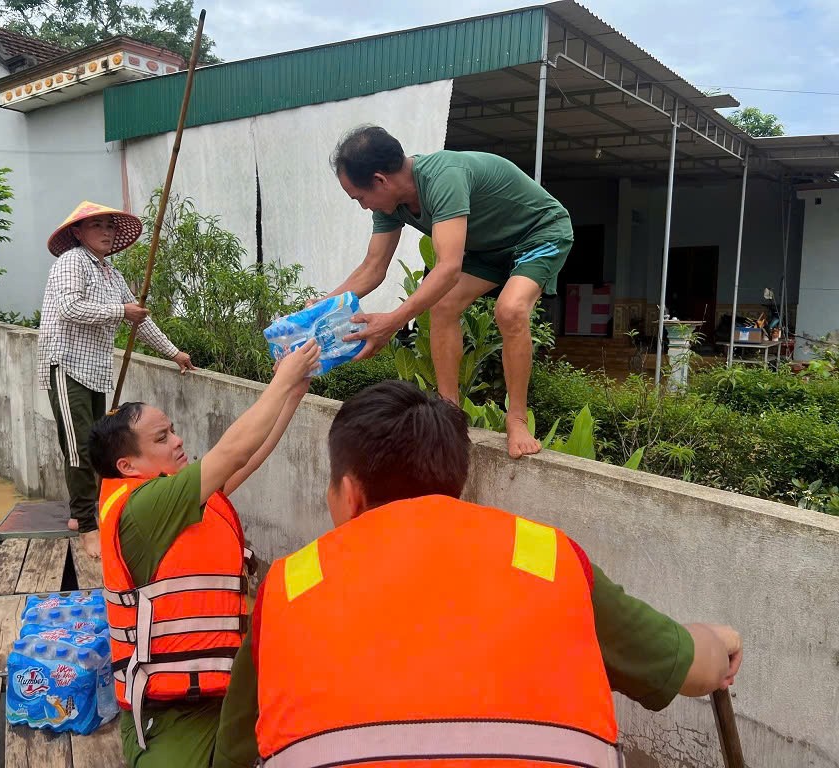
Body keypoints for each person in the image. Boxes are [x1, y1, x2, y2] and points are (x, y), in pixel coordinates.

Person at [212, 380, 743, 768]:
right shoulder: (546, 557)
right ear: (455, 481)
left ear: (349, 494)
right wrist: (721, 640)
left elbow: (236, 754)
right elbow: (691, 669)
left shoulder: (290, 586)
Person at [86, 339, 320, 768]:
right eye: (162, 437)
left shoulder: (182, 497)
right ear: (128, 467)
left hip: (221, 688)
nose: (178, 441)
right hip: (169, 710)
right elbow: (232, 450)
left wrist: (291, 394)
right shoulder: (143, 508)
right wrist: (284, 377)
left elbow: (247, 456)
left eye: (173, 430)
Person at [321, 125, 575, 458]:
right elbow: (372, 268)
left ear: (380, 180)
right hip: (487, 249)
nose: (363, 207)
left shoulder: (443, 177)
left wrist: (392, 321)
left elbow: (448, 268)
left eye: (360, 198)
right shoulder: (390, 205)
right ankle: (450, 416)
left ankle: (516, 420)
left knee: (510, 310)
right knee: (442, 307)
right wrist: (319, 309)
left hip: (538, 234)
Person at [38, 201, 196, 559]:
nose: (107, 232)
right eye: (98, 226)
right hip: (65, 364)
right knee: (79, 445)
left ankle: (87, 513)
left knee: (97, 445)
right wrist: (119, 311)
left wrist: (173, 352)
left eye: (110, 226)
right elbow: (69, 308)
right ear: (78, 233)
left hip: (94, 369)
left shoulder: (110, 273)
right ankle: (86, 525)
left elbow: (138, 320)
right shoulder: (71, 263)